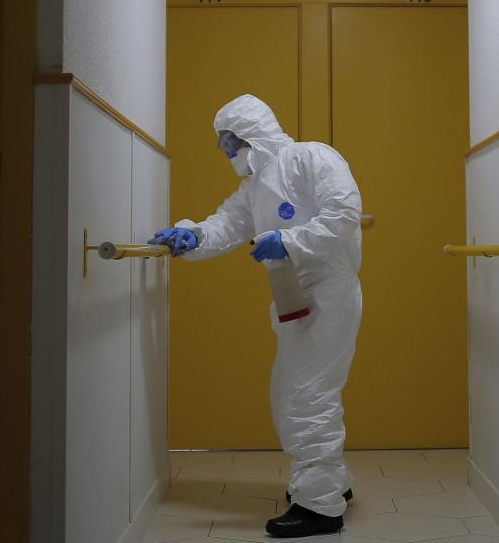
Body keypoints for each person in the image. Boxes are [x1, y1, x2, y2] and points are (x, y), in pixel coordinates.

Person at [151, 94, 363, 538]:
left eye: (229, 141)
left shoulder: (310, 157)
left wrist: (289, 241)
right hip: (291, 295)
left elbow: (343, 214)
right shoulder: (255, 185)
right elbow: (226, 224)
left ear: (251, 134)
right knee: (290, 392)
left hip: (329, 290)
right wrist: (190, 235)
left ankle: (320, 508)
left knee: (309, 395)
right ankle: (329, 482)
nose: (226, 151)